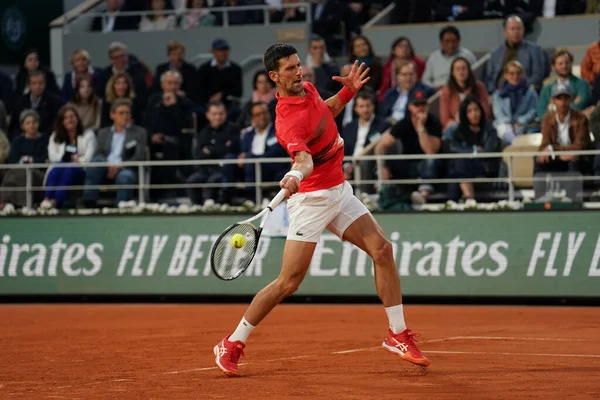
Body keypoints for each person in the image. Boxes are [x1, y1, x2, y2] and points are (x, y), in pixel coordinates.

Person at [213, 43, 429, 377]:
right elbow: (304, 158)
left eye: (298, 65)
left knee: (382, 250)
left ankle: (397, 334)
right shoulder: (285, 121)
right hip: (311, 201)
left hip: (339, 192)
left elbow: (324, 114)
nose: (299, 73)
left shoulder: (309, 88)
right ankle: (232, 342)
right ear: (274, 76)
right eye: (290, 69)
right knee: (288, 283)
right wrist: (295, 175)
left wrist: (347, 94)